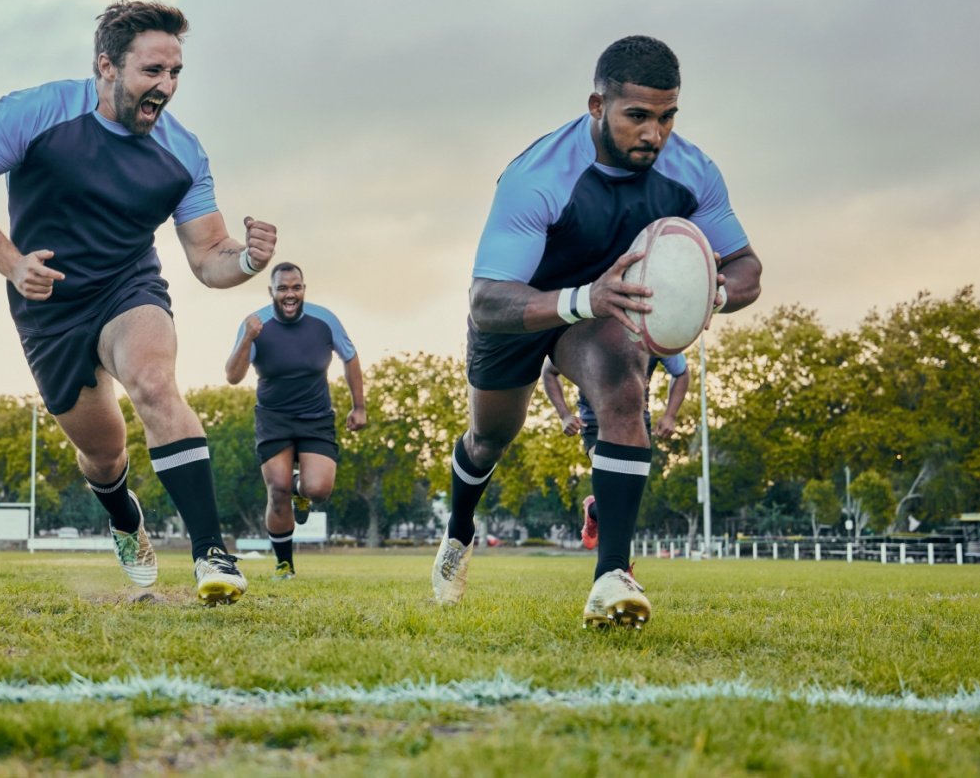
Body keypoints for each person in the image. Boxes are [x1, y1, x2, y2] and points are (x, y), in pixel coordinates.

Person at [0, 0, 274, 605]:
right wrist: (12, 264)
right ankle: (123, 518)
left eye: (176, 73)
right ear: (107, 66)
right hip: (47, 306)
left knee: (154, 383)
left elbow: (207, 255)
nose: (166, 87)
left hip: (127, 287)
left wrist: (247, 260)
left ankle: (211, 553)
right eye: (153, 72)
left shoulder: (183, 154)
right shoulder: (35, 112)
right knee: (103, 451)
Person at [431, 35, 762, 628]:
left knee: (623, 386)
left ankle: (612, 575)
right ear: (597, 106)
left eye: (666, 117)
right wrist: (584, 297)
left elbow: (747, 270)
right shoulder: (538, 176)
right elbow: (485, 302)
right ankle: (458, 533)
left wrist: (710, 292)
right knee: (489, 439)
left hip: (603, 314)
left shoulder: (692, 171)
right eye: (637, 116)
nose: (653, 134)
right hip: (524, 306)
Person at [225, 263, 366, 580]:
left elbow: (350, 357)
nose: (290, 294)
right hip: (274, 418)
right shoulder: (255, 323)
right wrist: (247, 338)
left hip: (316, 417)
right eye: (283, 288)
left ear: (304, 288)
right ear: (271, 292)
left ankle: (302, 490)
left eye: (296, 287)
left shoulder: (324, 320)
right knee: (278, 490)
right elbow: (233, 376)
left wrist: (359, 406)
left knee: (318, 489)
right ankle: (284, 563)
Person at [541, 354, 689, 550]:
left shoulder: (652, 330)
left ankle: (594, 511)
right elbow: (549, 371)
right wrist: (564, 415)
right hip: (595, 423)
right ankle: (617, 567)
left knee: (627, 501)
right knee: (613, 491)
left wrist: (670, 415)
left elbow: (682, 372)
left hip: (637, 422)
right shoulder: (588, 327)